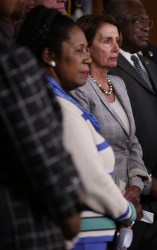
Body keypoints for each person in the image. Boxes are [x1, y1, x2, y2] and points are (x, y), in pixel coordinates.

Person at [16, 6, 137, 249]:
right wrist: (128, 213)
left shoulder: (54, 100)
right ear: (50, 55)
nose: (87, 58)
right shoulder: (58, 107)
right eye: (80, 50)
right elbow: (91, 180)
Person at [0, 1, 82, 249]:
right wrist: (69, 211)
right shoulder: (9, 58)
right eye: (79, 50)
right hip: (23, 230)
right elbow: (39, 149)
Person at [104, 1, 157, 249]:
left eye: (148, 22)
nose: (146, 28)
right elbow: (117, 140)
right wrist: (147, 182)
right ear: (116, 24)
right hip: (130, 194)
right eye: (138, 21)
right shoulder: (110, 66)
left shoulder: (151, 62)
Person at [71, 14, 151, 221]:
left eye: (117, 41)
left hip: (130, 198)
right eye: (107, 41)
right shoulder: (80, 88)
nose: (116, 48)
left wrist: (136, 186)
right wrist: (120, 194)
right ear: (86, 47)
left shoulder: (119, 83)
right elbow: (86, 151)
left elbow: (132, 141)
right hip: (99, 199)